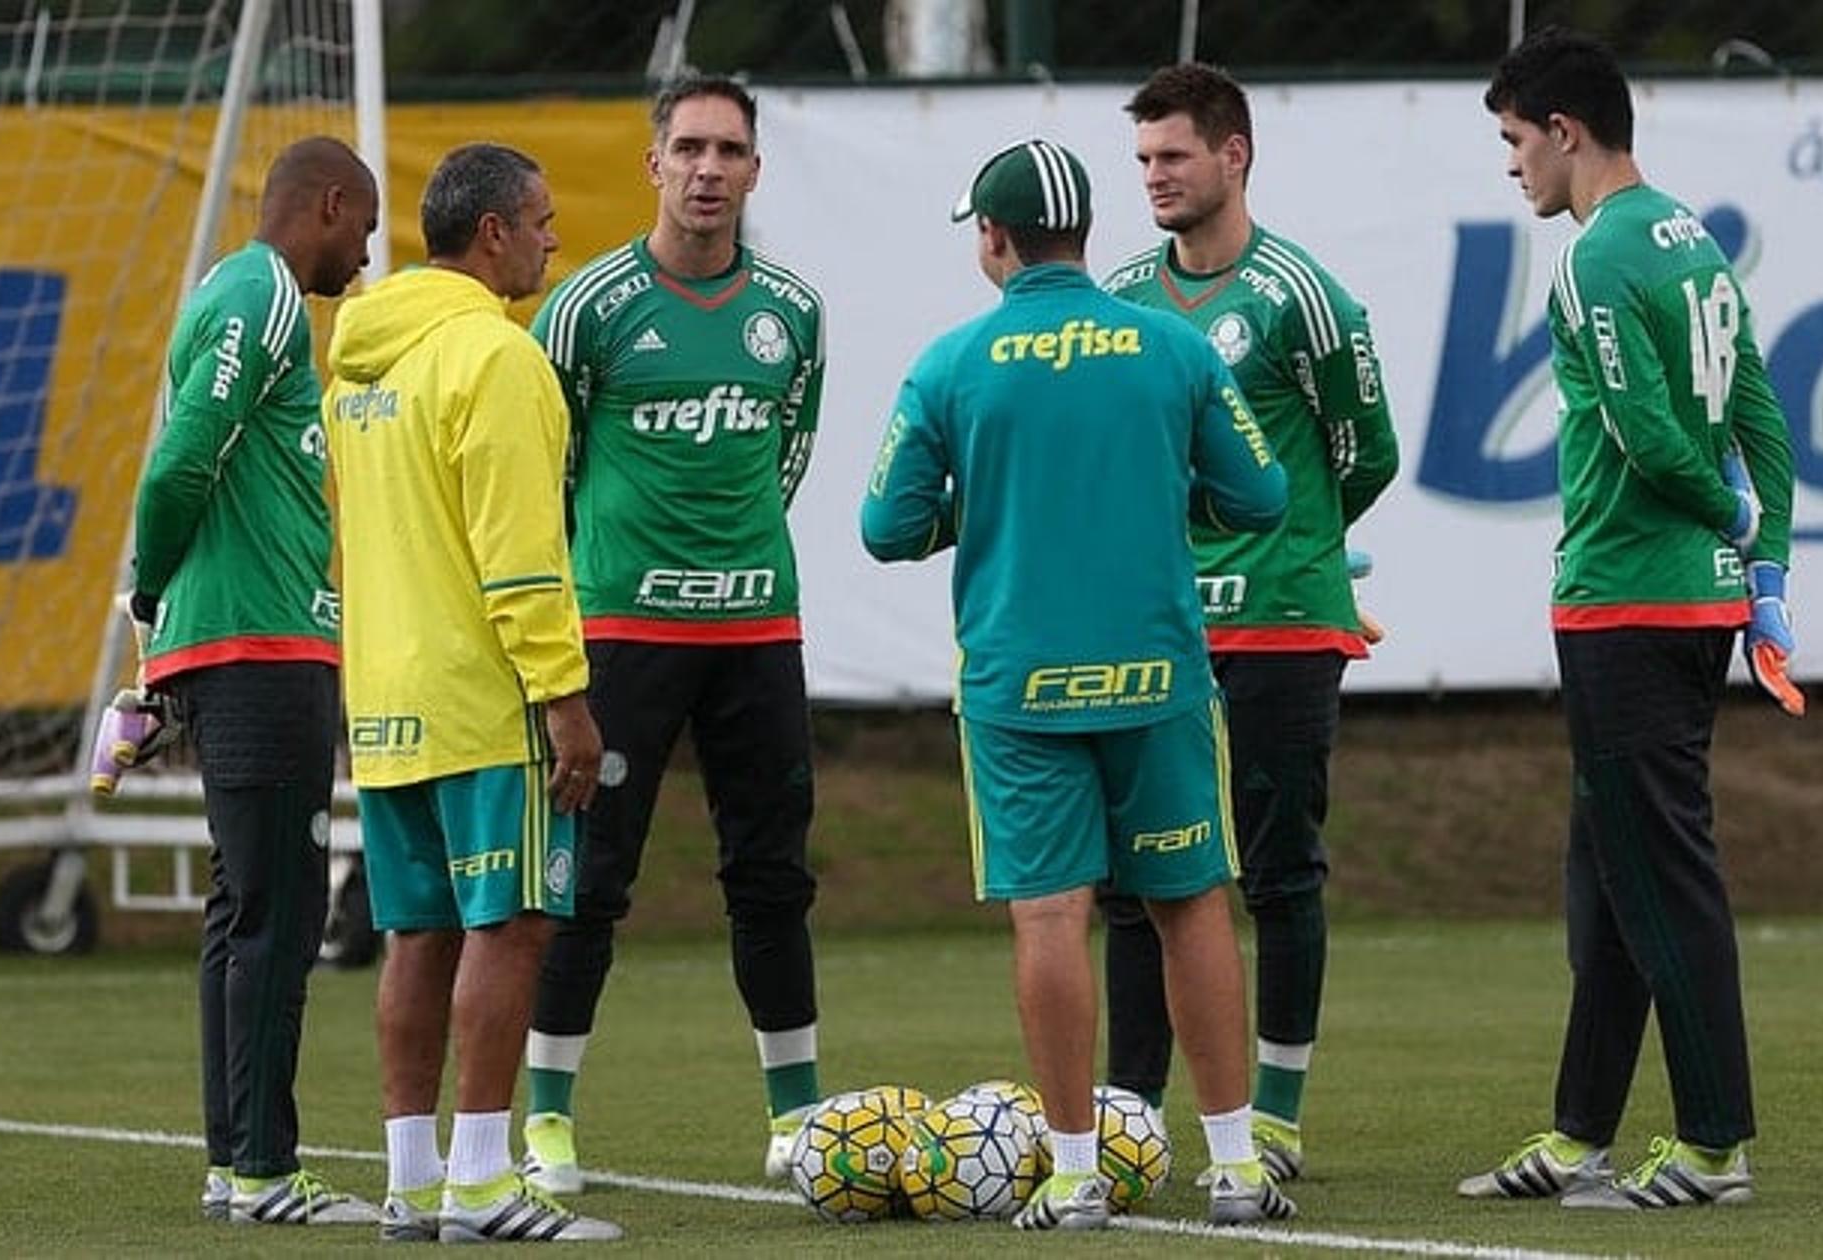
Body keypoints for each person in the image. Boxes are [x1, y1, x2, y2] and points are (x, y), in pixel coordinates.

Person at [862, 137, 1298, 1230]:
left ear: (994, 238)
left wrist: (989, 505)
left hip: (1020, 688)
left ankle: (1071, 1172)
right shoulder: (1175, 348)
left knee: (1051, 914)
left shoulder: (951, 363)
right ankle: (1239, 1165)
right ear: (1088, 235)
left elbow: (885, 528)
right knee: (1190, 903)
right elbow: (1263, 496)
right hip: (1159, 673)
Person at [1459, 27, 1801, 1210]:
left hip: (1628, 598)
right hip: (1688, 598)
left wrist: (1731, 515)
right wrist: (1768, 563)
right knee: (1606, 882)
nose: (1510, 165)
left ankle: (1714, 1144)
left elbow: (1656, 438)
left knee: (1660, 878)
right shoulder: (1690, 238)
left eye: (1514, 139)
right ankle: (1578, 1135)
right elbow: (1761, 407)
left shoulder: (1596, 255)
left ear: (1564, 129)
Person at [520, 74, 827, 1190]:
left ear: (755, 169)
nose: (707, 169)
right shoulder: (588, 307)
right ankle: (547, 1116)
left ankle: (797, 1118)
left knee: (772, 875)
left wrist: (726, 572)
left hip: (757, 632)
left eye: (729, 151)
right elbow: (546, 483)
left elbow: (784, 457)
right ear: (654, 165)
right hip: (619, 636)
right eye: (688, 148)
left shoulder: (792, 311)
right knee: (588, 875)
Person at [1097, 62, 1400, 1184]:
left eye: (1173, 156)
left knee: (1279, 873)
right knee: (1140, 877)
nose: (1155, 179)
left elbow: (1368, 450)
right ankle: (1129, 1116)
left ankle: (1273, 1112)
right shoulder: (1124, 297)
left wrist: (1300, 544)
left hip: (1278, 620)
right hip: (1159, 630)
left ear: (1234, 155)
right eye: (1142, 161)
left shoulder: (1301, 297)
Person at [323, 142, 620, 1244]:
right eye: (541, 219)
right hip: (485, 697)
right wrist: (565, 695)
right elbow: (521, 552)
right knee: (514, 925)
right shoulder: (496, 361)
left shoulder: (363, 360)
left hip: (389, 698)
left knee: (417, 933)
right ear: (491, 232)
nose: (553, 237)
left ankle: (413, 1180)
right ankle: (485, 1183)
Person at [126, 135, 379, 1227]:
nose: (362, 258)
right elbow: (183, 457)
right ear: (326, 206)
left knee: (243, 910)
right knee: (277, 909)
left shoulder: (242, 294)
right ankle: (269, 1169)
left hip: (236, 641)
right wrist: (150, 587)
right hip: (259, 644)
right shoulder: (263, 294)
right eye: (362, 229)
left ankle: (237, 1165)